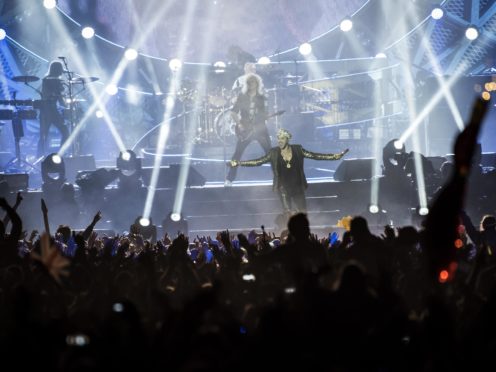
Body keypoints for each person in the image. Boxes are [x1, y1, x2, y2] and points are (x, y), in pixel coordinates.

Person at [228, 128, 348, 214]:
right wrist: (239, 163)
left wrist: (334, 157)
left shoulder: (297, 149)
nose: (279, 141)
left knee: (302, 212)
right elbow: (257, 162)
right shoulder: (273, 152)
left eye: (282, 139)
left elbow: (315, 156)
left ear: (287, 139)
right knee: (287, 213)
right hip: (283, 188)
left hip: (297, 187)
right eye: (278, 139)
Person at [225, 73, 272, 186]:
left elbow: (264, 113)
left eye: (253, 82)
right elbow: (233, 112)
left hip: (260, 128)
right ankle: (229, 179)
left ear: (257, 83)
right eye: (249, 82)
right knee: (237, 153)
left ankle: (280, 179)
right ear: (247, 84)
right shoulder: (242, 96)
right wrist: (240, 124)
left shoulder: (262, 97)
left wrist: (265, 116)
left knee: (270, 153)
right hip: (246, 130)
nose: (251, 84)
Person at [38, 60, 69, 157]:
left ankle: (61, 154)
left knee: (65, 132)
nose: (62, 72)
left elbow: (60, 99)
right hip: (46, 110)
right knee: (44, 135)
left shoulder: (58, 81)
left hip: (53, 110)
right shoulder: (46, 80)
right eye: (60, 69)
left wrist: (66, 104)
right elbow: (46, 96)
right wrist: (58, 94)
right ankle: (40, 156)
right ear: (57, 70)